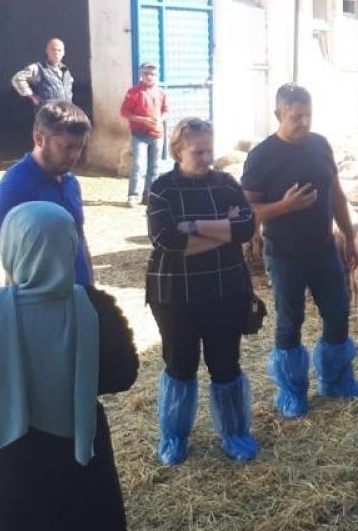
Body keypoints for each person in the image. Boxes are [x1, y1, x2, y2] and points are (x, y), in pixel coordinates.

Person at [0, 201, 138, 530]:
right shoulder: (95, 307)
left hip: (10, 459)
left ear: (12, 248)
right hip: (80, 454)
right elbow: (123, 375)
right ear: (69, 245)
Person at [241, 83, 358, 419]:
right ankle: (293, 392)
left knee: (338, 312)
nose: (303, 122)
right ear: (279, 114)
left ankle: (336, 381)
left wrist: (349, 238)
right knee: (290, 321)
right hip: (284, 253)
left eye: (308, 115)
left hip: (324, 248)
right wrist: (284, 206)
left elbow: (336, 194)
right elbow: (246, 211)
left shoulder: (320, 145)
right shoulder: (262, 155)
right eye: (295, 116)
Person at [146, 118, 259, 465]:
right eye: (199, 151)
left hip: (224, 289)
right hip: (174, 295)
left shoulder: (226, 183)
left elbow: (246, 228)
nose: (207, 157)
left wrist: (193, 226)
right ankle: (175, 437)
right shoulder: (162, 189)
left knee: (226, 363)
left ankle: (235, 434)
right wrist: (220, 231)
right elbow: (166, 238)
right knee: (180, 364)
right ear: (178, 150)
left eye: (210, 149)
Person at [0, 101, 94, 287]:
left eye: (80, 147)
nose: (75, 155)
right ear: (39, 139)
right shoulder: (15, 186)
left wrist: (92, 292)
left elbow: (80, 237)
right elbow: (10, 258)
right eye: (67, 147)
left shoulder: (70, 182)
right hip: (41, 302)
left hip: (77, 296)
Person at [119, 62, 168, 207]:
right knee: (139, 164)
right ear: (141, 74)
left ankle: (150, 195)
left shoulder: (161, 92)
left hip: (157, 134)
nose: (149, 77)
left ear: (157, 75)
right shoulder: (134, 92)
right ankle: (133, 195)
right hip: (139, 134)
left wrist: (161, 119)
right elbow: (124, 112)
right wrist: (143, 120)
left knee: (155, 166)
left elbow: (166, 110)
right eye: (146, 73)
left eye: (152, 74)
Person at [11, 38, 73, 107]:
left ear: (64, 53)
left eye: (59, 50)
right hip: (48, 114)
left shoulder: (66, 71)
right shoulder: (38, 68)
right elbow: (17, 78)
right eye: (53, 49)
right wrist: (32, 96)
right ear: (47, 51)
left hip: (66, 113)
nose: (56, 53)